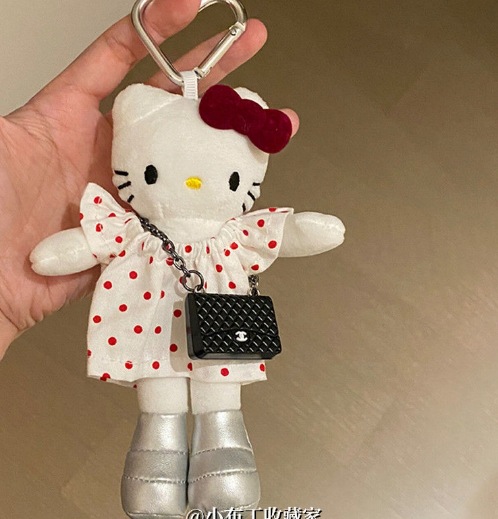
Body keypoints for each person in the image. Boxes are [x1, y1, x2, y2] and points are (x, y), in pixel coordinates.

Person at [0, 0, 299, 358]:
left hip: (225, 327)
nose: (193, 184)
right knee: (159, 378)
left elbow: (280, 233)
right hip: (150, 328)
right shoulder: (136, 231)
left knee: (222, 385)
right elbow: (90, 242)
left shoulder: (228, 234)